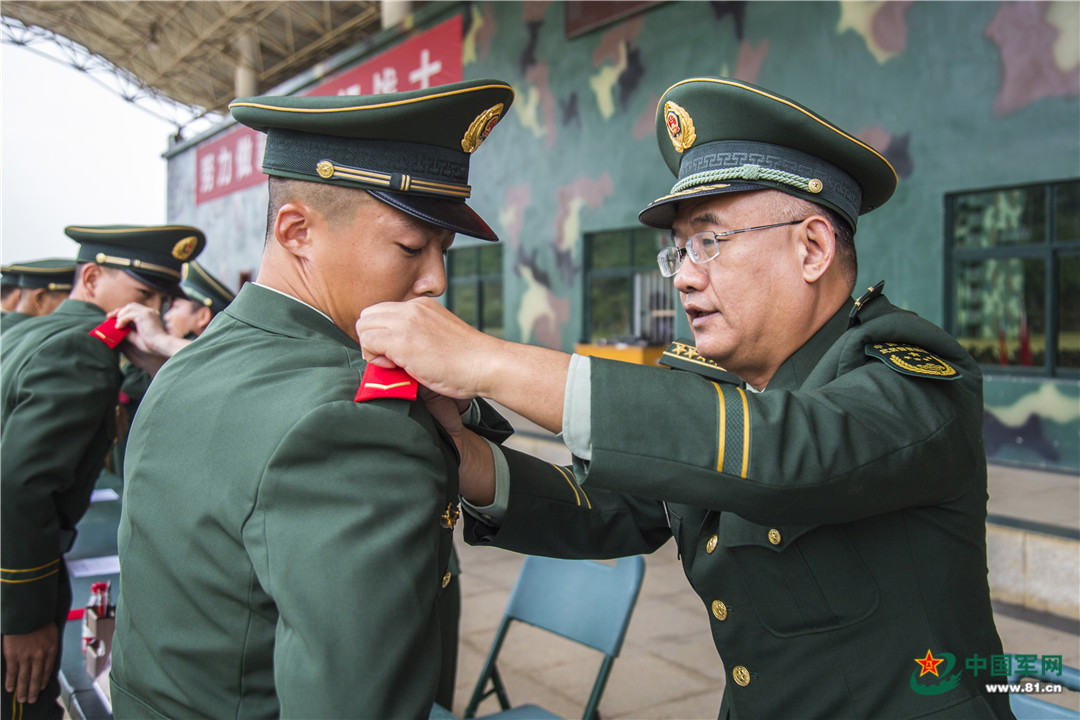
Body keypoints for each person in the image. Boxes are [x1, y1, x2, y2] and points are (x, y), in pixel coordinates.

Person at [357, 77, 1013, 719]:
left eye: (709, 242)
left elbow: (784, 449)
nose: (685, 277)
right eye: (678, 253)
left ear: (812, 248)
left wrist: (489, 362)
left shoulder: (912, 379)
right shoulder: (720, 391)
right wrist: (465, 455)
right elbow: (609, 508)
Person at [110, 78, 515, 719]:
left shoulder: (186, 365)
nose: (435, 280)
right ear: (297, 231)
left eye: (443, 250)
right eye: (411, 247)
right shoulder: (350, 419)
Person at [1, 225, 205, 719]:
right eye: (143, 294)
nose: (152, 311)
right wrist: (26, 616)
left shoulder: (27, 330)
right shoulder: (84, 348)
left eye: (161, 300)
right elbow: (20, 486)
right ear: (91, 278)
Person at [0, 259, 75, 332]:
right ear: (39, 298)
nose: (73, 305)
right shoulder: (41, 333)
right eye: (69, 298)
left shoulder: (10, 330)